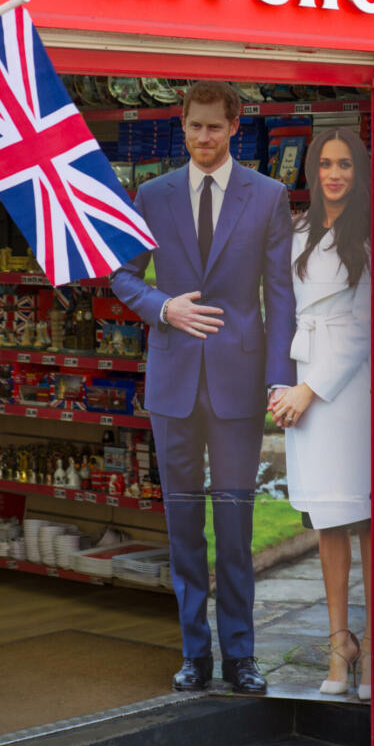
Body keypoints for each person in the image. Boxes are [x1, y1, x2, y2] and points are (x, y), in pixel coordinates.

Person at [111, 80, 296, 694]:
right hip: (172, 383)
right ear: (182, 126)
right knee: (184, 527)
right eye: (195, 127)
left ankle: (241, 654)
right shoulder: (152, 194)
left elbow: (280, 294)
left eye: (215, 127)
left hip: (240, 384)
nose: (204, 138)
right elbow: (122, 274)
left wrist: (279, 378)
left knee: (237, 528)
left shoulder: (267, 196)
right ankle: (196, 653)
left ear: (234, 128)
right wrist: (165, 308)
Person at [269, 127, 371, 701]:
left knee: (368, 518)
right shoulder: (299, 231)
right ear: (312, 171)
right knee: (327, 521)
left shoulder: (372, 232)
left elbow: (363, 330)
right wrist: (284, 384)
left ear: (360, 172)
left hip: (349, 392)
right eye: (326, 165)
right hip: (304, 377)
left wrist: (310, 389)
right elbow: (282, 309)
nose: (335, 175)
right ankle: (340, 645)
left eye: (346, 165)